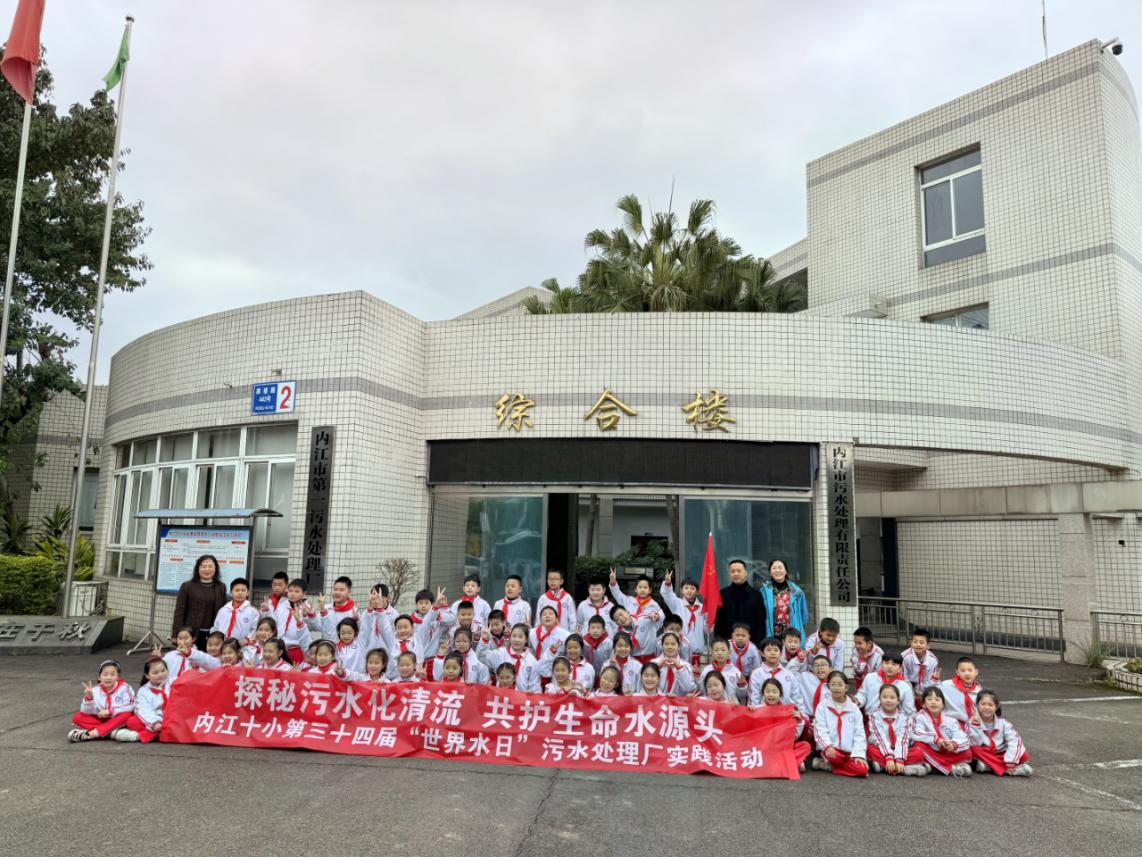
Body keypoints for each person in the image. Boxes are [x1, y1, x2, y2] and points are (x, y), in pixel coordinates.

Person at [810, 671, 868, 777]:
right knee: (835, 757)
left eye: (840, 685)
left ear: (846, 687)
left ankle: (825, 765)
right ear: (828, 687)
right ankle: (835, 764)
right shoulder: (822, 707)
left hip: (848, 752)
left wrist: (859, 755)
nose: (836, 688)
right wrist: (828, 747)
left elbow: (859, 733)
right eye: (833, 684)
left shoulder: (854, 709)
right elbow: (820, 730)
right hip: (832, 750)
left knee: (863, 770)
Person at [906, 686, 972, 776]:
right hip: (929, 750)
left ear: (943, 704)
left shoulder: (951, 720)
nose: (933, 702)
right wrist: (936, 739)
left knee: (967, 753)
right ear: (923, 704)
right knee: (918, 748)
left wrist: (953, 744)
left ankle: (932, 766)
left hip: (943, 753)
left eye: (937, 700)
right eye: (929, 699)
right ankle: (950, 769)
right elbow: (916, 732)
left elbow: (963, 739)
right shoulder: (918, 717)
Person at [68, 659, 136, 743]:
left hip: (118, 718)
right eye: (105, 674)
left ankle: (92, 734)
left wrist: (110, 711)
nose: (108, 677)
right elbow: (86, 712)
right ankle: (111, 733)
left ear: (117, 677)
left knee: (127, 715)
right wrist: (89, 699)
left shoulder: (125, 688)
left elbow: (131, 706)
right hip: (102, 720)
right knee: (77, 717)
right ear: (99, 677)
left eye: (112, 674)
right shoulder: (95, 690)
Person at [969, 690, 1032, 776]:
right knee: (973, 749)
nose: (986, 707)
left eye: (990, 705)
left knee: (1024, 755)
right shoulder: (971, 722)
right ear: (977, 706)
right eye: (983, 704)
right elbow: (974, 743)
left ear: (996, 706)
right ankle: (1008, 770)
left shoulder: (1004, 723)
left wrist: (1010, 761)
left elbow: (1015, 741)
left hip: (1001, 754)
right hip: (986, 753)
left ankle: (989, 767)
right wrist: (976, 725)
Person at [171, 554, 228, 650]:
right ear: (198, 568)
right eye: (203, 566)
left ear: (215, 569)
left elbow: (224, 612)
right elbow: (179, 612)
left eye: (210, 566)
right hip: (191, 634)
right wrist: (176, 634)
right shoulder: (187, 586)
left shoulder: (221, 587)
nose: (207, 569)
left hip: (213, 634)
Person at [758, 677, 811, 770]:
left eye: (774, 692)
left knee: (805, 746)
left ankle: (782, 765)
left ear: (780, 694)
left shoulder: (788, 711)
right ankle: (793, 764)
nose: (771, 694)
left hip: (784, 748)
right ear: (763, 693)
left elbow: (794, 736)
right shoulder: (758, 710)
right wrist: (750, 712)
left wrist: (798, 721)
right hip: (765, 748)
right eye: (767, 691)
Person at [659, 569, 706, 664]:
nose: (689, 591)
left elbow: (707, 629)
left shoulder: (702, 608)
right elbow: (667, 594)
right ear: (681, 590)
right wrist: (667, 583)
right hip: (681, 652)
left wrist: (710, 616)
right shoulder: (677, 603)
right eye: (686, 588)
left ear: (697, 591)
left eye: (692, 588)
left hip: (697, 653)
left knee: (696, 673)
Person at [120, 656, 169, 744]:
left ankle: (141, 736)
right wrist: (155, 722)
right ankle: (161, 732)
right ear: (147, 675)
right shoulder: (143, 691)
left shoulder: (174, 682)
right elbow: (143, 709)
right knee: (132, 721)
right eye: (155, 673)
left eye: (163, 671)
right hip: (156, 719)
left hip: (173, 717)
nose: (160, 674)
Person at [713, 559, 764, 642]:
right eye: (732, 571)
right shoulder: (723, 594)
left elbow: (760, 623)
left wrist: (758, 644)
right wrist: (719, 642)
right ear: (729, 574)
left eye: (739, 571)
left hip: (750, 643)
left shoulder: (756, 595)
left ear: (745, 573)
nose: (735, 574)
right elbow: (719, 622)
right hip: (727, 643)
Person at [760, 559, 809, 645]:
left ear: (786, 571)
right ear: (770, 572)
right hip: (771, 634)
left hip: (791, 635)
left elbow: (803, 615)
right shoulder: (763, 591)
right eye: (774, 568)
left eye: (780, 567)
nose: (777, 570)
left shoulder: (797, 592)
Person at [748, 637, 804, 711]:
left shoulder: (789, 674)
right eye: (769, 650)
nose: (772, 653)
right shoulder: (756, 674)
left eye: (776, 650)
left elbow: (797, 697)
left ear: (780, 653)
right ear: (762, 653)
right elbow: (754, 699)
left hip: (786, 714)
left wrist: (801, 714)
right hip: (763, 714)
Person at [866, 684, 911, 775]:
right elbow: (880, 738)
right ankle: (904, 769)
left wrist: (900, 759)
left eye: (892, 697)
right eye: (884, 697)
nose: (888, 700)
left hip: (898, 748)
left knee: (917, 752)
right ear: (880, 699)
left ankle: (883, 767)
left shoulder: (904, 717)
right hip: (881, 748)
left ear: (898, 701)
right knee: (869, 749)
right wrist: (889, 757)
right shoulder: (874, 715)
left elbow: (903, 739)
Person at [608, 568, 663, 639]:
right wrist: (613, 583)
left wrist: (657, 617)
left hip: (646, 638)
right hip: (629, 638)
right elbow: (618, 595)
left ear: (650, 590)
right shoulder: (629, 601)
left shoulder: (654, 605)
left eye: (645, 587)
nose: (642, 590)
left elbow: (661, 620)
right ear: (635, 589)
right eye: (640, 587)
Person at [210, 578, 260, 644]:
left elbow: (256, 630)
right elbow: (215, 627)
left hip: (243, 647)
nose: (240, 593)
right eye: (237, 590)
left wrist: (247, 639)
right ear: (231, 592)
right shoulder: (223, 611)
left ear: (247, 593)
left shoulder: (253, 612)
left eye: (243, 590)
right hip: (222, 645)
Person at [938, 656, 982, 727]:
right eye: (963, 671)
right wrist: (934, 681)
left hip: (971, 726)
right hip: (949, 725)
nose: (967, 673)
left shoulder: (979, 691)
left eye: (970, 670)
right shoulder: (946, 685)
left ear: (976, 672)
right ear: (957, 672)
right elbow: (930, 694)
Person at [902, 629, 941, 705]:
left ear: (928, 645)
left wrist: (924, 694)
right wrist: (912, 693)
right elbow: (903, 678)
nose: (918, 644)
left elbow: (930, 680)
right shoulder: (905, 657)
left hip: (924, 687)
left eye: (921, 642)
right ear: (911, 643)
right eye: (915, 642)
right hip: (908, 685)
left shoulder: (933, 660)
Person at [652, 632, 694, 696]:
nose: (669, 647)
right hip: (658, 700)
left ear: (679, 647)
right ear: (662, 646)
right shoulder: (653, 663)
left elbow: (689, 688)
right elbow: (648, 685)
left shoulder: (686, 665)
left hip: (678, 701)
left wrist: (680, 668)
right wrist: (657, 668)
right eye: (666, 644)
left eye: (673, 644)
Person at [728, 622, 761, 703]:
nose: (740, 638)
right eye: (737, 635)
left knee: (748, 699)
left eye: (743, 635)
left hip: (747, 677)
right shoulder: (727, 646)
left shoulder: (753, 649)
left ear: (749, 636)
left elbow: (756, 669)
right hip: (730, 676)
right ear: (732, 635)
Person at [537, 568, 576, 632]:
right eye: (550, 579)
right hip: (546, 633)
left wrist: (572, 634)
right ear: (547, 581)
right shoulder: (543, 598)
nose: (552, 581)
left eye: (555, 579)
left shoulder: (567, 598)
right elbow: (538, 619)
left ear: (561, 581)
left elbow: (572, 619)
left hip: (565, 633)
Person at [850, 627, 884, 691]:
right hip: (859, 681)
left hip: (874, 684)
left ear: (869, 644)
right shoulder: (855, 651)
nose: (857, 646)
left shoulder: (878, 655)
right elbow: (854, 667)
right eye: (855, 643)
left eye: (860, 643)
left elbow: (879, 674)